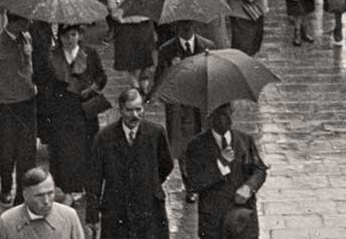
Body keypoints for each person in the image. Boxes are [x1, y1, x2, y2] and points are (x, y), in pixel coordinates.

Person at [88, 87, 174, 239]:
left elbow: (166, 165)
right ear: (120, 110)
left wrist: (148, 182)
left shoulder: (156, 133)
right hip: (117, 208)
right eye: (129, 110)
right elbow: (94, 178)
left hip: (149, 206)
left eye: (138, 109)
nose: (135, 115)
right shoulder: (104, 137)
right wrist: (92, 215)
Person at [0, 12, 38, 205]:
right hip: (4, 108)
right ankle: (5, 187)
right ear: (16, 21)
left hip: (27, 103)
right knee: (7, 151)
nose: (30, 22)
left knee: (27, 151)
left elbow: (28, 69)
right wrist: (1, 93)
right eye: (27, 19)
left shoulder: (26, 39)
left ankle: (22, 195)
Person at [185, 103, 269, 239]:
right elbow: (194, 183)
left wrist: (249, 187)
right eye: (218, 114)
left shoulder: (245, 140)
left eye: (226, 113)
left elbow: (260, 169)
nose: (224, 119)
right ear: (209, 116)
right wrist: (221, 163)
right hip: (213, 224)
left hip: (243, 220)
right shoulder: (196, 145)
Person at [43, 24, 107, 199]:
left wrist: (92, 88)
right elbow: (45, 82)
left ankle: (85, 185)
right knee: (65, 149)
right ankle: (68, 187)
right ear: (60, 37)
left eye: (73, 35)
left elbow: (102, 77)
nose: (70, 40)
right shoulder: (52, 56)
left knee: (86, 148)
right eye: (66, 36)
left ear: (79, 35)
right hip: (63, 111)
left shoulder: (90, 53)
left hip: (85, 110)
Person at [154, 21, 214, 187]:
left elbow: (214, 75)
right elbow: (159, 81)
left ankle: (201, 176)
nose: (186, 28)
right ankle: (190, 184)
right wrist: (172, 70)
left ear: (196, 26)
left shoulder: (207, 46)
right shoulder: (166, 50)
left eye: (189, 25)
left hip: (200, 105)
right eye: (182, 25)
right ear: (176, 28)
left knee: (202, 140)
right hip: (179, 106)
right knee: (183, 144)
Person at [0, 168, 83, 239]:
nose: (46, 201)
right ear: (25, 195)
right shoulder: (7, 222)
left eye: (50, 193)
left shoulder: (69, 217)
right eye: (39, 195)